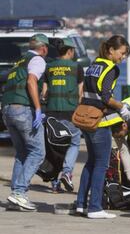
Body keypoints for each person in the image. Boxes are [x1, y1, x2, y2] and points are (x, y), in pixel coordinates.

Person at [76, 35, 130, 219]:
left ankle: (81, 204)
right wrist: (122, 107)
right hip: (99, 121)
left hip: (85, 117)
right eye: (122, 53)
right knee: (101, 164)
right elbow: (106, 97)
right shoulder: (111, 68)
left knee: (91, 162)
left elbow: (87, 91)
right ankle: (95, 208)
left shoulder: (94, 64)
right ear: (111, 50)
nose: (122, 58)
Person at [2, 34, 49, 211]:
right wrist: (38, 108)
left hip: (7, 110)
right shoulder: (37, 60)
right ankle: (19, 193)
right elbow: (31, 81)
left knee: (22, 153)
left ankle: (15, 195)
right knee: (37, 152)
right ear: (43, 48)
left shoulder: (19, 62)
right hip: (23, 110)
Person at [43, 37, 84, 193]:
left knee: (55, 146)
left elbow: (44, 93)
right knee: (73, 142)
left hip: (51, 113)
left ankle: (54, 182)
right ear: (70, 51)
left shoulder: (49, 67)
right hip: (70, 112)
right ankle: (66, 173)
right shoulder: (76, 67)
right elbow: (80, 93)